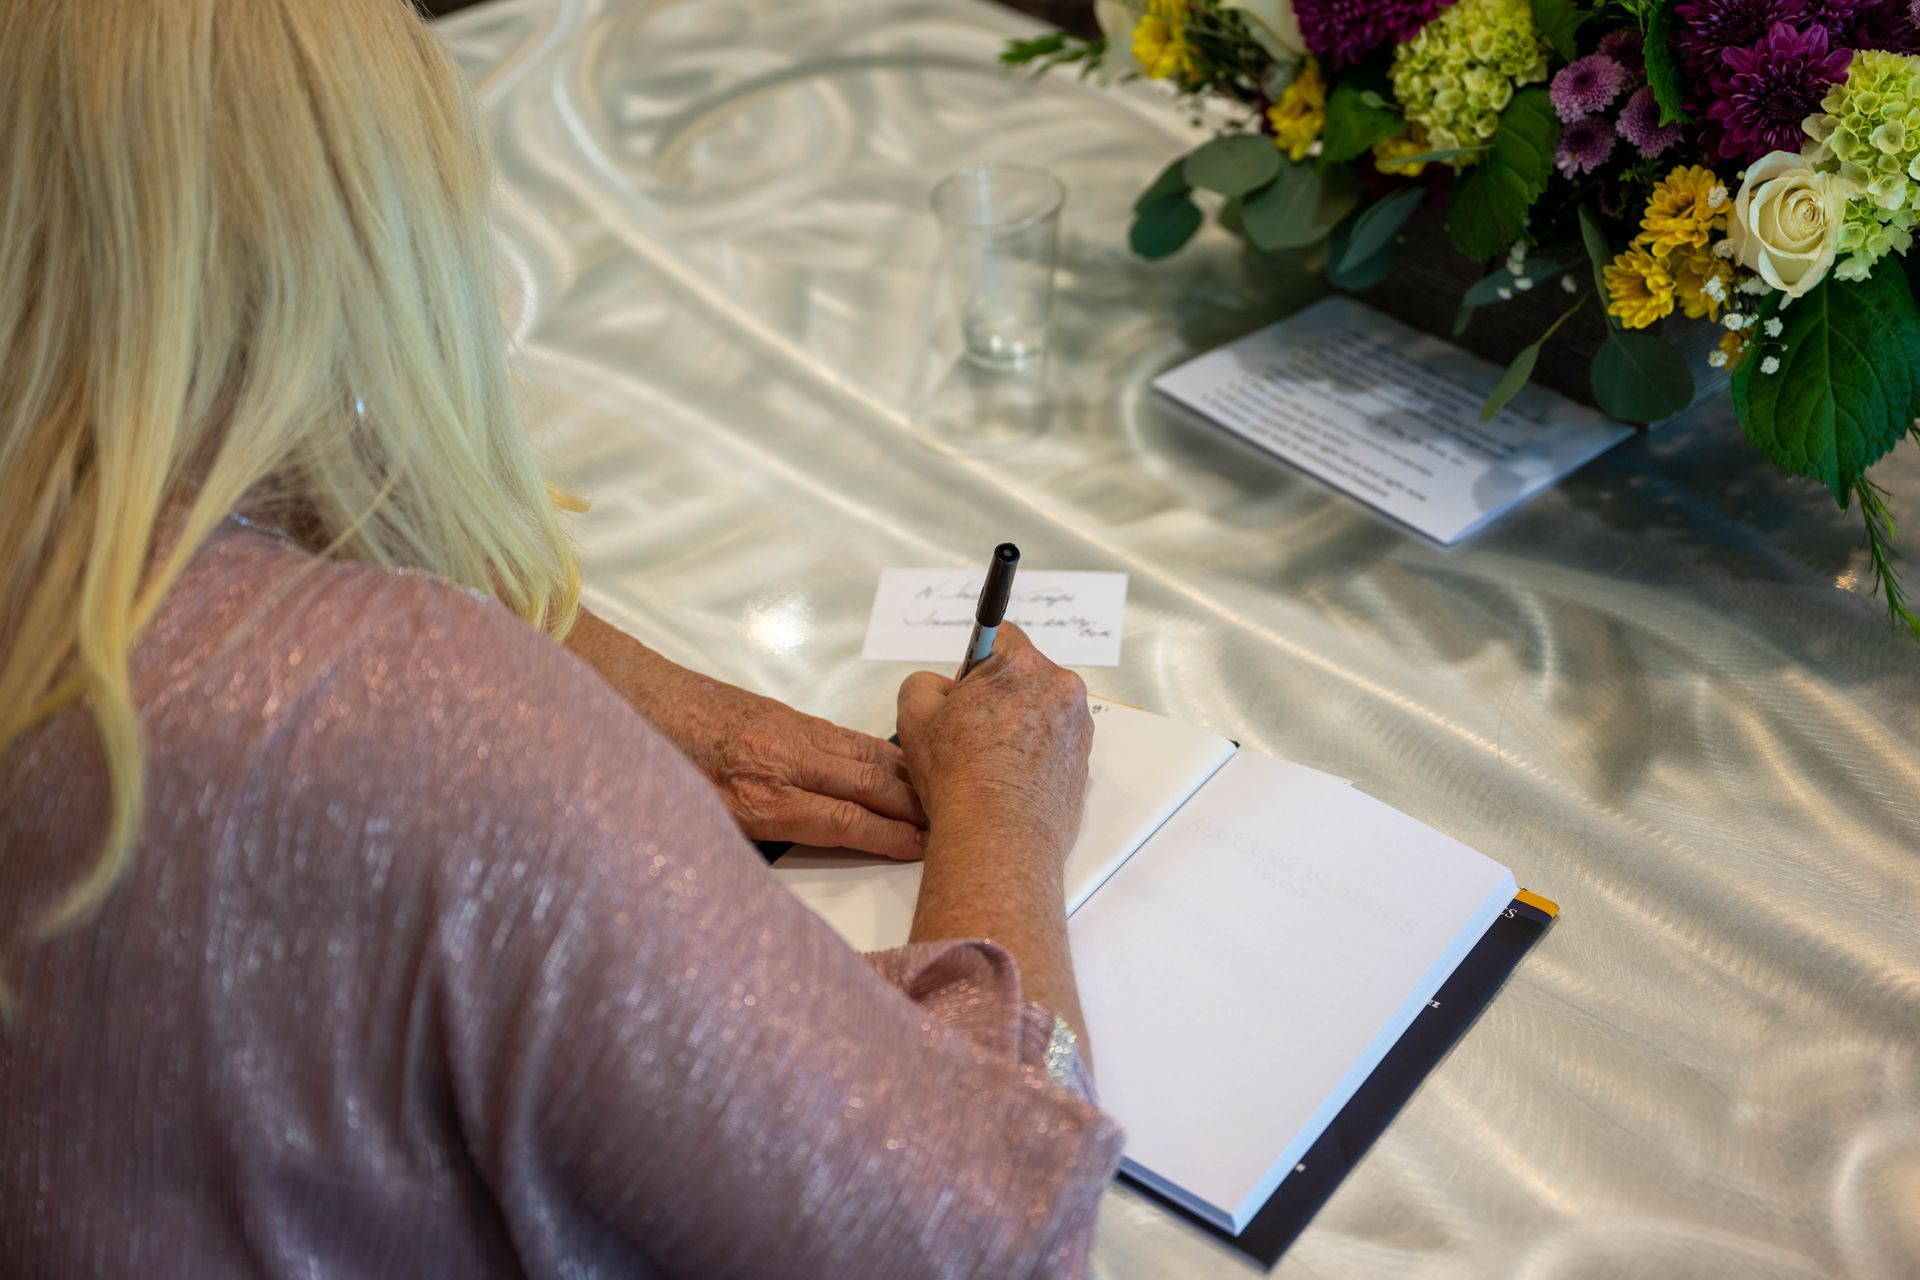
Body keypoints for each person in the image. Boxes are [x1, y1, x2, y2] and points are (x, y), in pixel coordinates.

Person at [0, 1, 1121, 1276]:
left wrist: (591, 669)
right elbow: (978, 1242)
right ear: (390, 241)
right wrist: (1004, 823)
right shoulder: (429, 729)